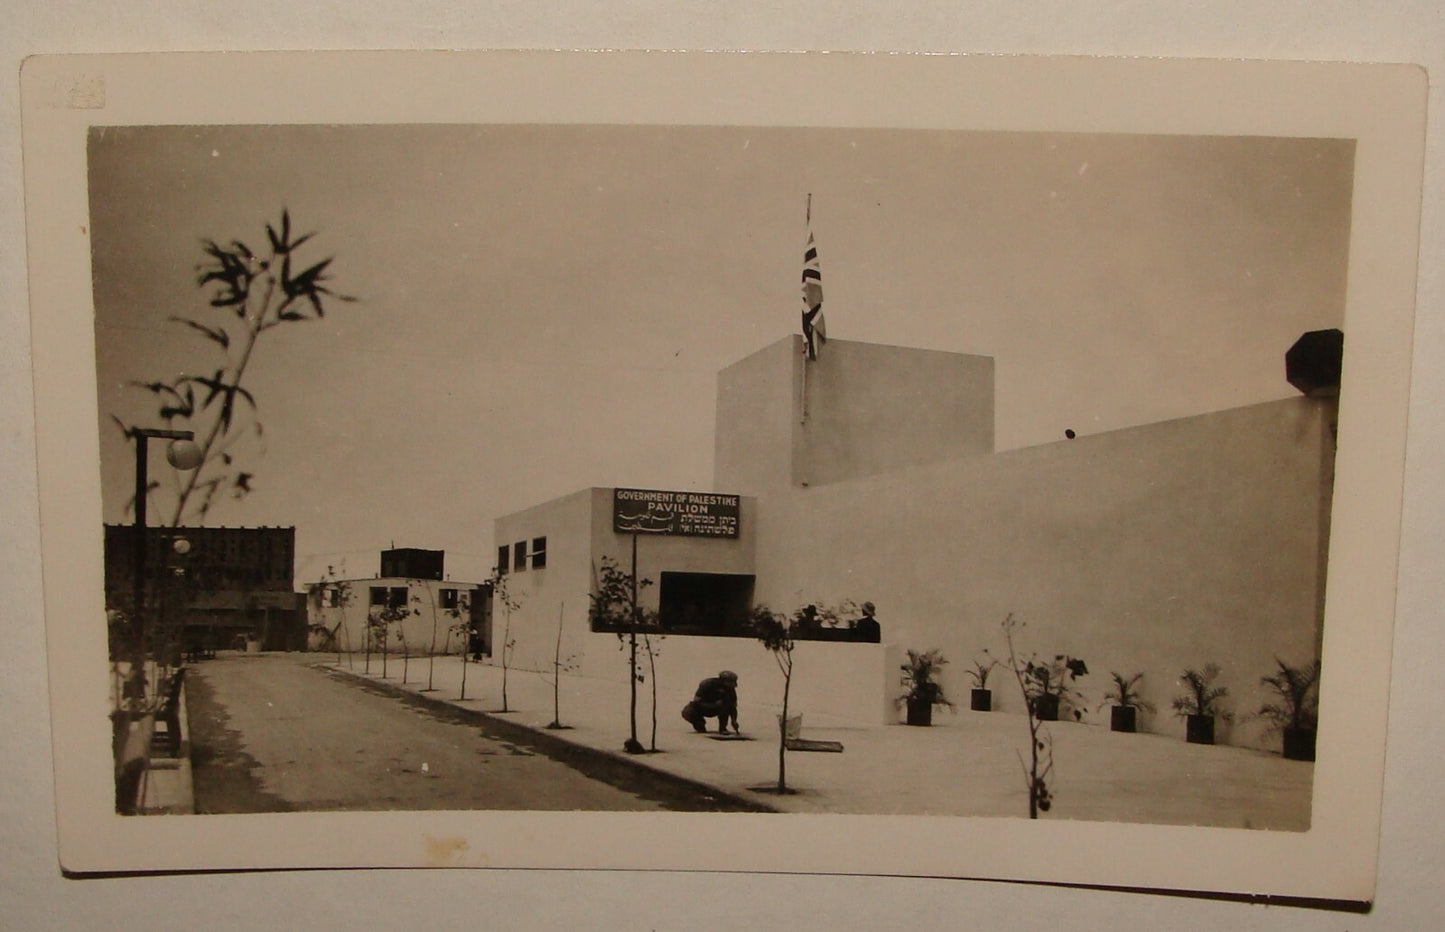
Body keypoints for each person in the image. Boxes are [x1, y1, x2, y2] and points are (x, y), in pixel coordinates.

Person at [681, 670, 740, 734]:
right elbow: (696, 701)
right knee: (689, 711)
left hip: (718, 709)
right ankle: (700, 726)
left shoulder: (730, 690)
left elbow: (733, 707)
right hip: (702, 708)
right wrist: (713, 705)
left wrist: (734, 720)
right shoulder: (707, 684)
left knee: (725, 706)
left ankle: (723, 728)